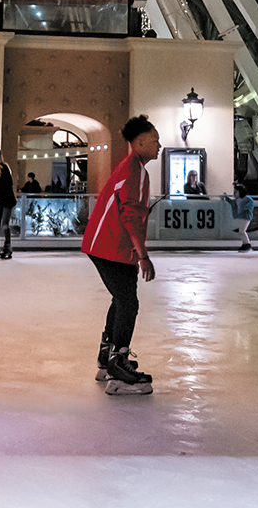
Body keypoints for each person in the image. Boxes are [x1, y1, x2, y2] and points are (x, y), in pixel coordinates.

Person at [81, 115, 160, 395]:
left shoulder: (128, 167)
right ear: (139, 143)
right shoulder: (136, 170)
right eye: (154, 140)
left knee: (122, 299)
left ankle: (107, 358)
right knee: (128, 303)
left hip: (102, 246)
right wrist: (143, 255)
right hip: (111, 248)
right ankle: (119, 364)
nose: (159, 145)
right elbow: (130, 214)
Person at [228, 183, 254, 251]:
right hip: (241, 216)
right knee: (241, 231)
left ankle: (247, 244)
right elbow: (232, 202)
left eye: (236, 191)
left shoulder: (247, 198)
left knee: (242, 231)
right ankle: (245, 243)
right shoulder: (237, 199)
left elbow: (250, 205)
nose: (235, 193)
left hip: (246, 216)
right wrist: (226, 198)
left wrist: (244, 209)